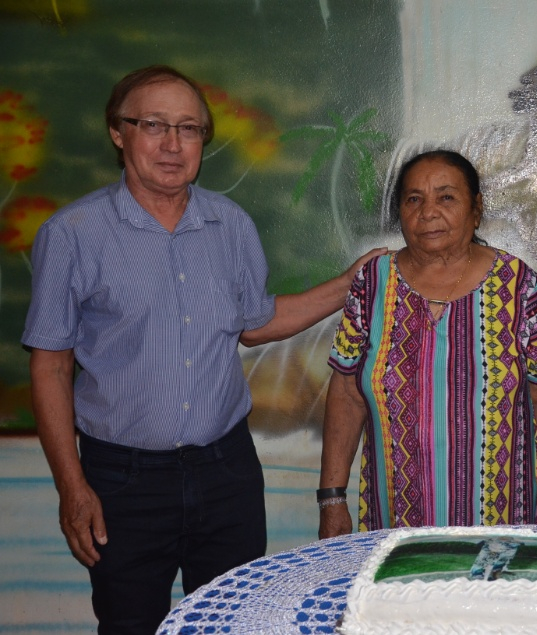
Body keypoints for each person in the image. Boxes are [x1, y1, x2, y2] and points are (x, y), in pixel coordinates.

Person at [21, 65, 383, 635]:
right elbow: (50, 365)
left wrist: (348, 283)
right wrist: (73, 487)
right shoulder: (73, 234)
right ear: (119, 132)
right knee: (129, 624)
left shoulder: (230, 225)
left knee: (237, 622)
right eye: (154, 125)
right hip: (122, 481)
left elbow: (255, 323)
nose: (172, 144)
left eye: (188, 129)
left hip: (227, 472)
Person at [318, 150, 537, 537]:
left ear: (476, 209)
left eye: (446, 197)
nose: (428, 212)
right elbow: (347, 395)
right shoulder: (372, 284)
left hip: (500, 530)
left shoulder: (518, 285)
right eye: (414, 199)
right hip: (398, 526)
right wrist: (332, 498)